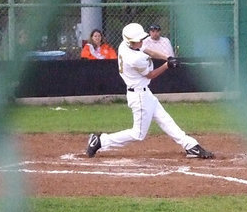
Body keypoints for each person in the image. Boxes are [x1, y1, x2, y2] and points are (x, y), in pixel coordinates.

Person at [85, 22, 213, 159]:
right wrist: (167, 65)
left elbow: (148, 50)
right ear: (130, 42)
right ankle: (101, 141)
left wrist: (168, 57)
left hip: (145, 93)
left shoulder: (125, 45)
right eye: (137, 40)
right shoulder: (134, 59)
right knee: (138, 134)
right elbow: (151, 75)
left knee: (165, 120)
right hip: (139, 96)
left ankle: (190, 146)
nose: (140, 42)